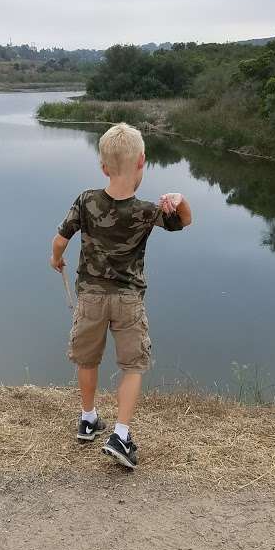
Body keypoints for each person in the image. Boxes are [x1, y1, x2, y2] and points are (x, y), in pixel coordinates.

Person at [49, 123, 192, 469]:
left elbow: (60, 240)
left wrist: (56, 260)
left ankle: (87, 419)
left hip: (91, 298)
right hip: (128, 300)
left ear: (103, 167)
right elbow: (184, 222)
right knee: (132, 366)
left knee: (87, 359)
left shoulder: (86, 200)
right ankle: (121, 435)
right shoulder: (146, 211)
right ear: (142, 161)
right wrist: (180, 200)